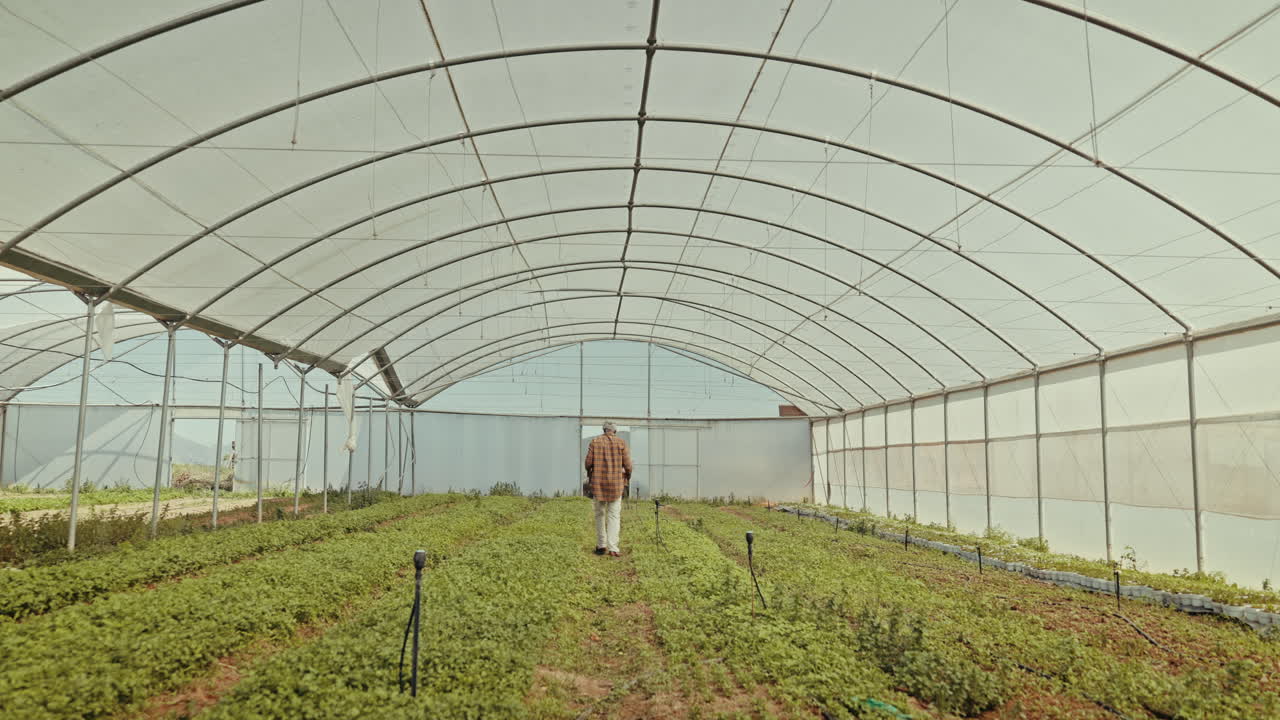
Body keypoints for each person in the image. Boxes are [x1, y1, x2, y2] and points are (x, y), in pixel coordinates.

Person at [584, 421, 632, 557]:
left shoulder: (595, 442)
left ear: (604, 430)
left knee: (600, 515)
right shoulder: (621, 443)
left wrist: (591, 472)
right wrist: (627, 476)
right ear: (615, 431)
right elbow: (628, 465)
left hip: (598, 484)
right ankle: (613, 548)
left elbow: (588, 462)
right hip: (616, 485)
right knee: (614, 516)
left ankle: (601, 546)